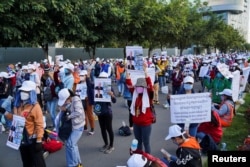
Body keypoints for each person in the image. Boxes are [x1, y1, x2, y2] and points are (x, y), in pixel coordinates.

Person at [1, 80, 46, 167]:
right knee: (26, 162)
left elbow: (39, 124)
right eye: (22, 91)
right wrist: (5, 112)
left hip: (32, 139)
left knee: (38, 163)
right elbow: (16, 119)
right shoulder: (18, 104)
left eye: (26, 92)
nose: (23, 93)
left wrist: (39, 140)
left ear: (31, 93)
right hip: (20, 137)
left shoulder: (35, 106)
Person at [126, 64, 154, 154]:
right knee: (138, 142)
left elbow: (150, 85)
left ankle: (148, 160)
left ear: (144, 87)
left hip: (146, 123)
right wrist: (127, 71)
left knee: (146, 142)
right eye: (137, 86)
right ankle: (139, 159)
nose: (138, 88)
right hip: (136, 123)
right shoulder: (134, 93)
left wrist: (145, 71)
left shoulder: (148, 95)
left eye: (141, 87)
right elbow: (129, 83)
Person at [56, 88, 85, 167]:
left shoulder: (76, 100)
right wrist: (63, 109)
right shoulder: (69, 100)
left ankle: (73, 164)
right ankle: (78, 163)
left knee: (70, 144)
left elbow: (79, 112)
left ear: (68, 97)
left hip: (78, 126)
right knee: (73, 145)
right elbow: (62, 109)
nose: (65, 102)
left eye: (65, 100)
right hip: (72, 126)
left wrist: (69, 116)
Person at [94, 71, 116, 154]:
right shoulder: (97, 86)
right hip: (100, 111)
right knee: (102, 128)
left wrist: (112, 95)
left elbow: (114, 101)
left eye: (104, 78)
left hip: (107, 111)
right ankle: (106, 144)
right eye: (101, 78)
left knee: (109, 129)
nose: (102, 80)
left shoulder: (109, 87)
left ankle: (111, 146)